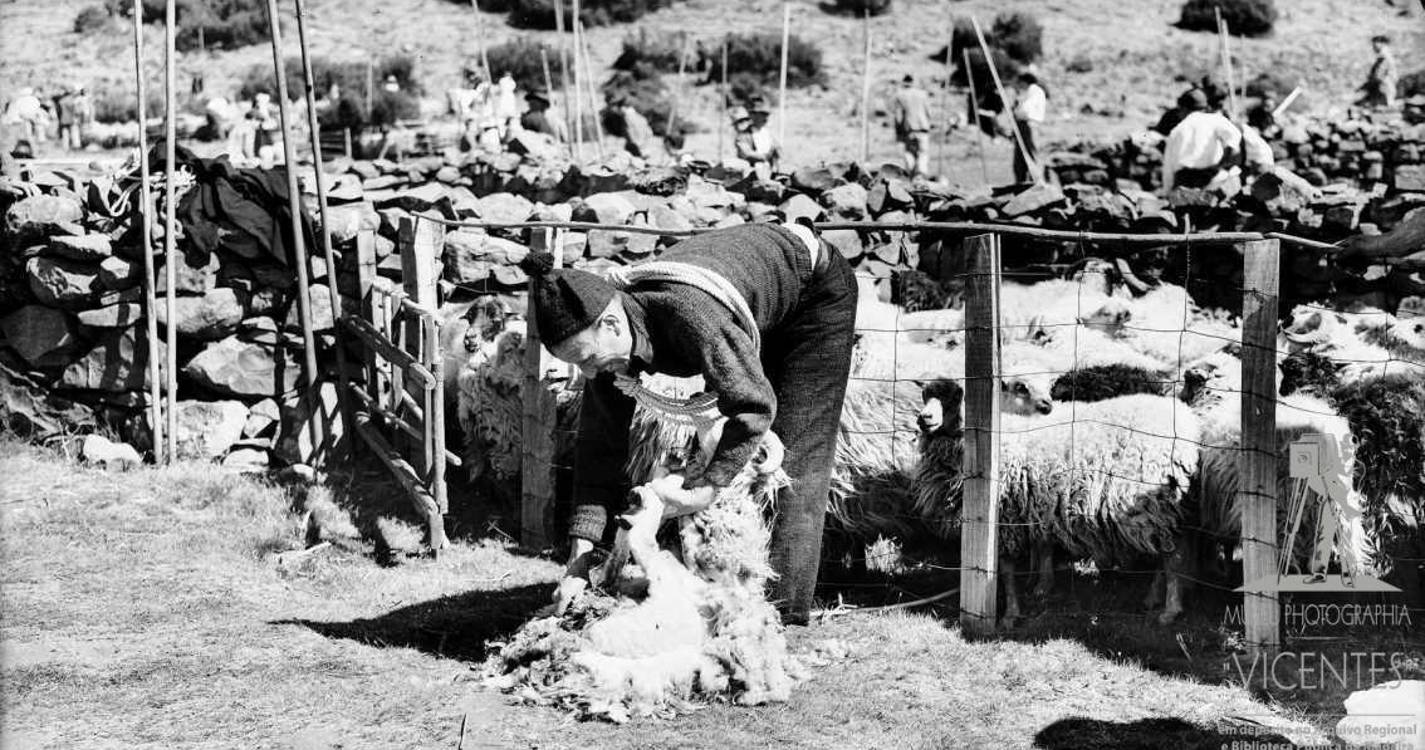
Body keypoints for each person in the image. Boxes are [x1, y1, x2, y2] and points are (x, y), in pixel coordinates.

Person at [529, 222, 857, 626]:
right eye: (576, 364)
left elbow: (753, 407)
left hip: (811, 290)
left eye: (587, 358)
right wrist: (577, 563)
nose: (588, 372)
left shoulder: (691, 317)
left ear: (612, 324)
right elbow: (599, 448)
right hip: (744, 295)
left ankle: (780, 617)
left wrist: (705, 490)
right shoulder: (608, 354)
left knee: (794, 455)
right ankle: (720, 599)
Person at [1160, 89, 1241, 193]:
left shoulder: (1177, 131)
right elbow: (1235, 136)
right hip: (1212, 180)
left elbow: (1168, 170)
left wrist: (1167, 193)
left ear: (1183, 109)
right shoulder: (1215, 120)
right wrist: (1225, 159)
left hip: (1185, 183)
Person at [1011, 68, 1048, 184]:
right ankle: (1021, 181)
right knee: (1020, 157)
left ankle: (1036, 181)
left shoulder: (1035, 91)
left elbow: (1025, 111)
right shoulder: (1027, 93)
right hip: (1023, 125)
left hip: (1029, 125)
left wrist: (1016, 110)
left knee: (1031, 154)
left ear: (1024, 81)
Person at [891, 74, 932, 178]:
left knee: (909, 153)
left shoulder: (900, 95)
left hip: (909, 130)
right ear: (913, 82)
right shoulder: (923, 94)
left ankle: (911, 175)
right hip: (923, 129)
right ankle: (921, 174)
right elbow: (929, 112)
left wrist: (898, 133)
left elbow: (898, 117)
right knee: (923, 153)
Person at [734, 101, 779, 177]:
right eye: (762, 114)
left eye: (766, 115)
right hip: (749, 173)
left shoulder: (769, 134)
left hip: (769, 171)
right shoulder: (743, 136)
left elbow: (777, 152)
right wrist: (765, 157)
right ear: (753, 116)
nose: (765, 118)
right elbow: (746, 153)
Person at [609, 91, 656, 159]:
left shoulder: (627, 118)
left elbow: (629, 134)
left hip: (635, 151)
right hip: (645, 149)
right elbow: (650, 133)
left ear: (622, 107)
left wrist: (635, 145)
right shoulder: (641, 118)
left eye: (618, 108)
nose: (617, 110)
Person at [1358, 34, 1399, 108]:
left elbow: (1379, 75)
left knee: (1384, 110)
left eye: (1375, 44)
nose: (1373, 47)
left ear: (1382, 44)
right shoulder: (1384, 57)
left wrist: (1370, 83)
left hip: (1384, 87)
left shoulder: (1385, 57)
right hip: (1384, 87)